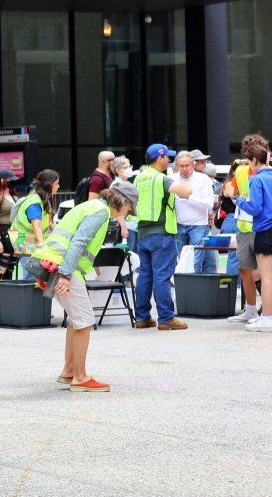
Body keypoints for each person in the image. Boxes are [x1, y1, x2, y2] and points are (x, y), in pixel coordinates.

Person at [26, 178, 137, 393]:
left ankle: (69, 372)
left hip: (52, 263)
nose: (128, 211)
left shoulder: (90, 206)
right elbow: (78, 241)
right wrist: (66, 274)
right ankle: (80, 377)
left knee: (75, 321)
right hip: (63, 267)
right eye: (129, 206)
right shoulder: (101, 211)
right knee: (85, 321)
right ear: (121, 200)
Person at [129, 144, 189, 330]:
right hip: (162, 233)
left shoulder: (139, 178)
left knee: (145, 275)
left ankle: (142, 317)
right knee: (162, 276)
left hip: (143, 233)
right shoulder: (161, 178)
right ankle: (166, 318)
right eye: (167, 157)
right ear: (160, 158)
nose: (169, 160)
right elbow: (186, 192)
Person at [237, 136, 272, 331]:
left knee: (267, 277)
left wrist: (239, 200)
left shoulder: (257, 179)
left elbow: (255, 208)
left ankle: (266, 318)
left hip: (266, 231)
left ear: (253, 161)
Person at [221, 155, 260, 323]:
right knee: (245, 269)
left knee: (265, 272)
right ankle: (251, 310)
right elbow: (229, 191)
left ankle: (269, 311)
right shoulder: (240, 175)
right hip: (243, 228)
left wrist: (234, 195)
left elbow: (236, 195)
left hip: (259, 227)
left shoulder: (263, 175)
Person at [173, 151, 218, 274]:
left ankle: (194, 291)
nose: (184, 169)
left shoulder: (203, 179)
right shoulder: (172, 179)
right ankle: (185, 290)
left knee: (195, 263)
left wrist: (189, 198)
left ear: (193, 164)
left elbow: (209, 204)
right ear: (177, 166)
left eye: (187, 165)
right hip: (178, 225)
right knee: (182, 262)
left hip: (198, 225)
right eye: (181, 166)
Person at [10, 170, 61, 264]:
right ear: (48, 185)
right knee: (31, 271)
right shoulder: (34, 202)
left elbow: (49, 223)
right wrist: (42, 246)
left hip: (30, 240)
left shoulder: (45, 198)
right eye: (56, 184)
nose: (59, 186)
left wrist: (60, 235)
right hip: (22, 240)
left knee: (36, 272)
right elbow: (36, 226)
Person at [0, 171, 20, 281]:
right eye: (11, 180)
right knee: (2, 267)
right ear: (2, 180)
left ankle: (7, 296)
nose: (13, 182)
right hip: (3, 231)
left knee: (11, 267)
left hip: (14, 232)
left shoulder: (13, 195)